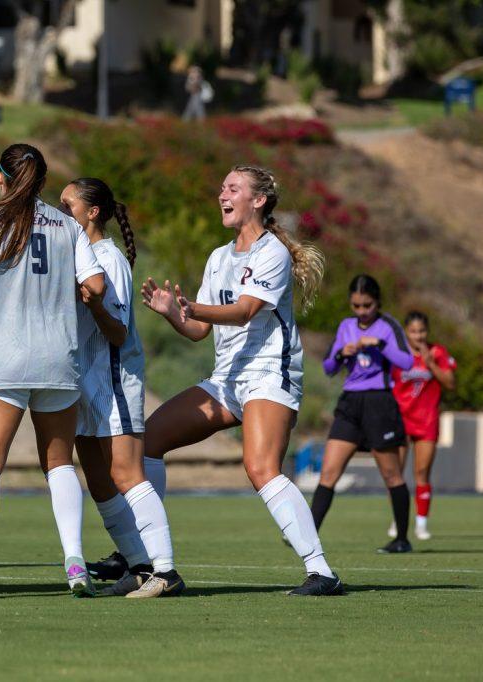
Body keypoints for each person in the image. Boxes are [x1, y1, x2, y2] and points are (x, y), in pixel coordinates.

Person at [141, 165, 343, 596]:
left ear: (259, 200)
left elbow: (246, 310)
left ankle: (321, 571)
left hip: (270, 374)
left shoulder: (271, 252)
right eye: (222, 188)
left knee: (259, 468)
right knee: (149, 439)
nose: (222, 194)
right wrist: (173, 313)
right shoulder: (218, 257)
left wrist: (191, 308)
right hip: (227, 379)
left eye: (233, 188)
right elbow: (200, 331)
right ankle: (154, 563)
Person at [0, 143, 106, 598]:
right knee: (58, 466)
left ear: (0, 177)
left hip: (6, 359)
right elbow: (94, 284)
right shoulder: (67, 225)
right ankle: (75, 564)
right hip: (59, 359)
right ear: (43, 180)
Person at [59, 177, 183, 598]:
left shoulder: (107, 260)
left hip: (113, 379)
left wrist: (92, 302)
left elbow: (116, 332)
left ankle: (166, 571)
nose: (61, 213)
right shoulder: (76, 255)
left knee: (127, 473)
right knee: (99, 479)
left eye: (67, 205)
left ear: (92, 212)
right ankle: (139, 565)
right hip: (82, 381)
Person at [311, 274, 415, 553]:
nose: (361, 312)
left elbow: (407, 361)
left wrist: (379, 345)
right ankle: (307, 535)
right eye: (356, 306)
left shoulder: (388, 325)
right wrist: (342, 354)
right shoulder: (345, 326)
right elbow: (329, 368)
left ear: (377, 302)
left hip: (379, 403)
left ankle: (402, 539)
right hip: (350, 404)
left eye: (367, 305)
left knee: (392, 475)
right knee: (328, 472)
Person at [390, 311, 456, 541]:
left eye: (422, 331)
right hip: (400, 418)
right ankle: (398, 519)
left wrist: (431, 363)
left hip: (427, 420)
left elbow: (450, 382)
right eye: (414, 331)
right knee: (396, 473)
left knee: (421, 472)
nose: (418, 336)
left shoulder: (437, 352)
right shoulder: (397, 354)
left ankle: (421, 523)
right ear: (406, 332)